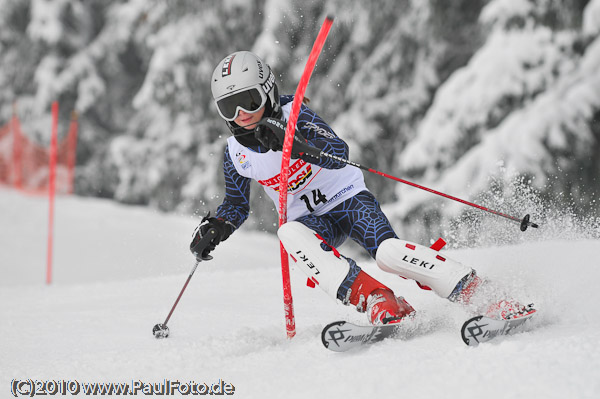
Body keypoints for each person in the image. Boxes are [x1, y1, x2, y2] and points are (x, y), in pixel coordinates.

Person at [190, 50, 534, 325]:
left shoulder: (296, 114)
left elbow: (339, 155)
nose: (241, 114)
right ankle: (377, 299)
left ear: (266, 91)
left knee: (388, 253)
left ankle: (477, 291)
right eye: (228, 107)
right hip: (313, 223)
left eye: (248, 100)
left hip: (347, 201)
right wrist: (217, 227)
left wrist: (291, 141)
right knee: (289, 234)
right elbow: (236, 205)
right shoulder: (236, 153)